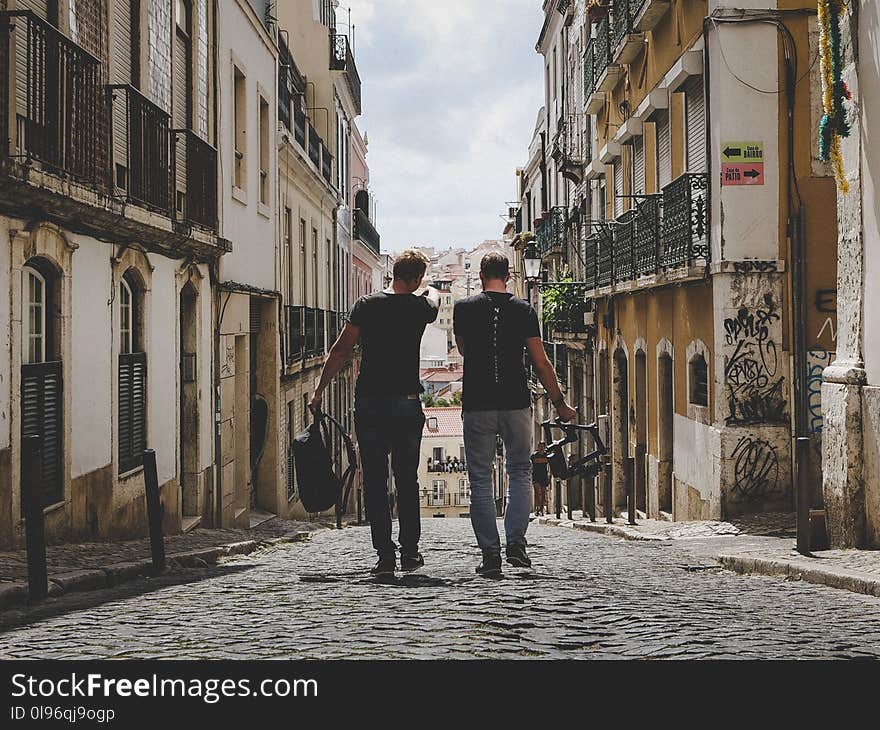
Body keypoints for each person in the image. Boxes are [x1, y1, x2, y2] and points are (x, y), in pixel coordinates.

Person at [309, 249, 439, 576]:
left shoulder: (366, 306)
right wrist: (428, 288)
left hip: (369, 403)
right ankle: (410, 553)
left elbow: (340, 350)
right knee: (406, 480)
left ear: (393, 274)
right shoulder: (419, 306)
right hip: (407, 403)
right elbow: (434, 299)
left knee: (376, 481)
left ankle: (384, 557)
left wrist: (320, 390)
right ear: (416, 279)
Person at [454, 252, 576, 576]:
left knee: (480, 479)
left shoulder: (463, 308)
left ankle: (490, 555)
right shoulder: (524, 310)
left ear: (481, 275)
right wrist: (560, 403)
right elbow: (540, 361)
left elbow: (464, 349)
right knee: (520, 472)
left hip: (478, 403)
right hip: (517, 402)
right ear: (508, 276)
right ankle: (517, 546)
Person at [531, 443, 551, 517]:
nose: (542, 448)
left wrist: (550, 476)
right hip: (536, 476)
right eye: (540, 447)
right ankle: (537, 508)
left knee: (543, 493)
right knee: (537, 492)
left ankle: (541, 509)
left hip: (544, 476)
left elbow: (549, 466)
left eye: (543, 447)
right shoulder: (534, 456)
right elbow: (530, 465)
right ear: (538, 447)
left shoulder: (547, 455)